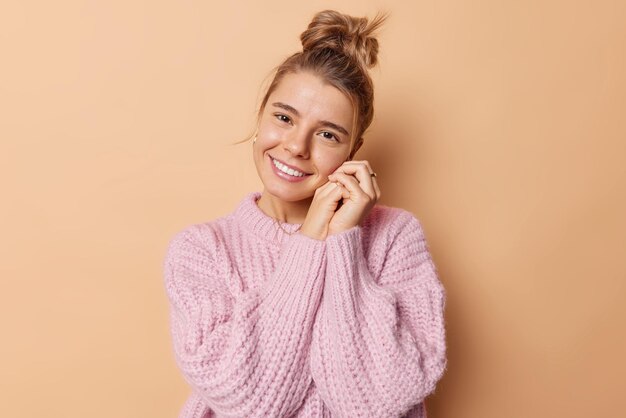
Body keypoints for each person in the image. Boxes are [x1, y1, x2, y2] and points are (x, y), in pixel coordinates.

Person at [163, 9, 447, 418]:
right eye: (284, 118)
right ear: (260, 118)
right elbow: (248, 401)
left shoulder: (395, 237)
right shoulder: (202, 249)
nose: (297, 146)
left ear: (353, 150)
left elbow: (375, 403)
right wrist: (311, 240)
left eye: (328, 134)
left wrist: (343, 241)